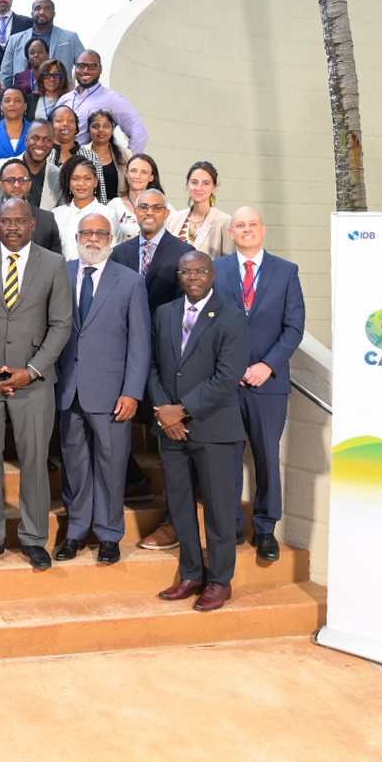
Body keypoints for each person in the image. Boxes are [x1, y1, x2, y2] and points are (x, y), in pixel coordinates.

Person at [0, 198, 74, 570]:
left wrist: (33, 370)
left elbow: (61, 324)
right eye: (5, 221)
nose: (11, 227)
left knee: (35, 460)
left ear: (33, 223)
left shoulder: (54, 264)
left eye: (19, 221)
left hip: (34, 382)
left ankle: (35, 538)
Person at [149, 251, 251, 613]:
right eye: (186, 271)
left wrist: (184, 410)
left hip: (215, 429)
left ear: (212, 275)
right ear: (179, 275)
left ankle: (220, 581)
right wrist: (165, 413)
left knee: (220, 511)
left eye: (200, 271)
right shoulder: (165, 313)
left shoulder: (232, 318)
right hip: (171, 430)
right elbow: (155, 366)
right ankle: (191, 574)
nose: (193, 276)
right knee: (180, 507)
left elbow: (226, 377)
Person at [54, 212, 151, 564]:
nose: (93, 239)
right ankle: (76, 532)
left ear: (111, 239)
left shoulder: (129, 281)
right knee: (75, 466)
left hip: (113, 393)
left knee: (111, 466)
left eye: (100, 233)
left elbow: (140, 344)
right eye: (87, 233)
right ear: (77, 237)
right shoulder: (61, 273)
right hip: (68, 389)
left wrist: (132, 392)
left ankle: (110, 535)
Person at [214, 207, 305, 560]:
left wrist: (267, 365)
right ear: (232, 233)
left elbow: (294, 326)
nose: (247, 229)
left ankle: (266, 528)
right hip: (227, 382)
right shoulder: (217, 270)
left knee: (267, 455)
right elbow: (208, 322)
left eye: (253, 224)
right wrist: (228, 367)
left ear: (263, 230)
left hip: (268, 384)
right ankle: (233, 523)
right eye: (240, 225)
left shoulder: (286, 272)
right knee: (228, 457)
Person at [112, 187, 194, 549]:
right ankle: (124, 490)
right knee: (116, 426)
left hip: (164, 359)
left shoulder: (183, 254)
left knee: (169, 441)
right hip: (125, 358)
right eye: (142, 206)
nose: (148, 212)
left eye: (155, 207)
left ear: (165, 213)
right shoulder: (120, 253)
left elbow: (184, 307)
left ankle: (176, 521)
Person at [57, 50, 150, 155]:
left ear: (100, 69)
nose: (85, 70)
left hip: (90, 166)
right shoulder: (64, 99)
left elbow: (140, 133)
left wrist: (128, 164)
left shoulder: (112, 99)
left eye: (92, 66)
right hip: (61, 164)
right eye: (81, 66)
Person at [0, 158, 61, 252]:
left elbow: (56, 262)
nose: (17, 185)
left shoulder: (47, 220)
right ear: (1, 185)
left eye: (23, 180)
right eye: (10, 180)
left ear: (29, 185)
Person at [0, 0, 85, 87]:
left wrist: (81, 92)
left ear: (54, 13)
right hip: (24, 96)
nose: (41, 12)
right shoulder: (15, 40)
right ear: (32, 13)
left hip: (61, 96)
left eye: (47, 8)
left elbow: (84, 66)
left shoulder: (70, 37)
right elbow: (5, 75)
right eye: (38, 8)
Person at [52, 157, 118, 260]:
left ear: (96, 182)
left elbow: (114, 252)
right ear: (68, 182)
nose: (81, 183)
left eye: (87, 178)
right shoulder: (55, 215)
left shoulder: (109, 214)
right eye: (75, 178)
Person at [167, 160, 234, 258]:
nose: (199, 188)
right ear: (188, 184)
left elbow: (228, 263)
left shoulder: (226, 223)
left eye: (206, 183)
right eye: (194, 182)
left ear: (214, 187)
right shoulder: (174, 219)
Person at [50, 105, 106, 203]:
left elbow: (100, 194)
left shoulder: (91, 156)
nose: (66, 124)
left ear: (76, 127)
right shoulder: (44, 155)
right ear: (50, 126)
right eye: (59, 120)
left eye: (71, 120)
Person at [82, 108, 129, 204]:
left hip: (118, 210)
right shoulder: (80, 154)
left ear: (113, 129)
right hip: (89, 209)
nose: (101, 130)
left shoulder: (125, 155)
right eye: (95, 126)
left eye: (106, 126)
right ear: (88, 130)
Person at [114, 153, 164, 241]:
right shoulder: (114, 206)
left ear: (151, 177)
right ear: (126, 173)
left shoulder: (162, 207)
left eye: (144, 172)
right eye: (133, 171)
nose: (137, 176)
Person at [0, 86, 30, 162]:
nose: (12, 104)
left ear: (25, 105)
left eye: (17, 100)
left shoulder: (36, 131)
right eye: (7, 100)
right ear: (1, 106)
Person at [29, 57, 70, 122]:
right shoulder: (30, 100)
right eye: (47, 75)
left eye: (56, 75)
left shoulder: (68, 100)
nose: (52, 79)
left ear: (63, 78)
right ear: (41, 78)